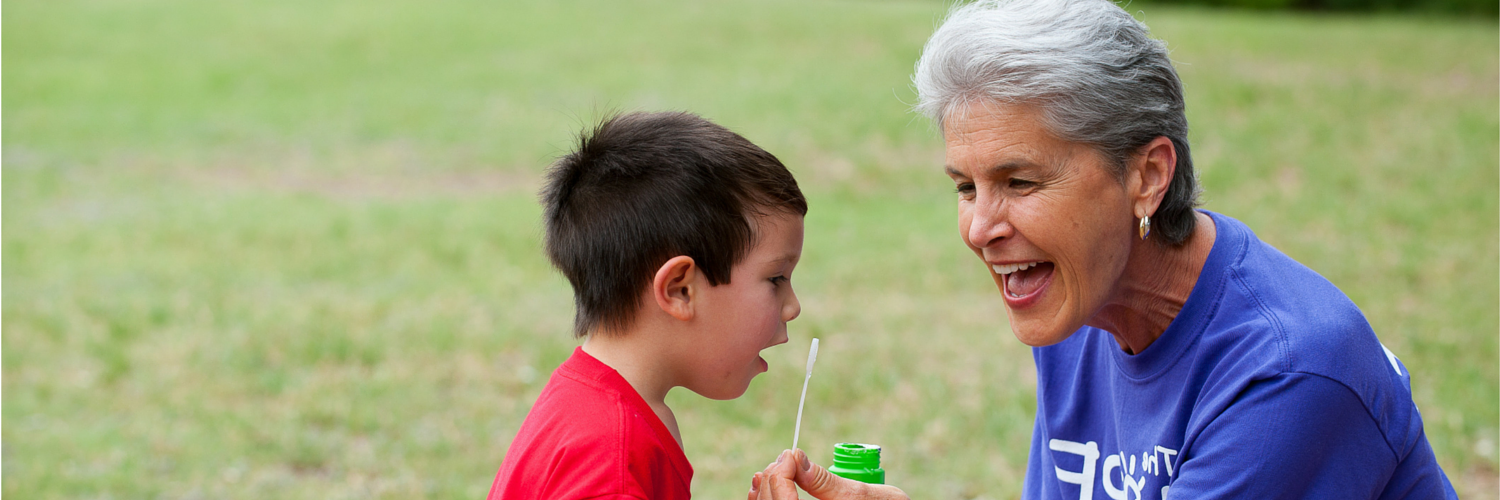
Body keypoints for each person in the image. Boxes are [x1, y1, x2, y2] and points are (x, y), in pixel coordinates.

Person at [751, 0, 1458, 498]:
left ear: (1147, 175)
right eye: (966, 187)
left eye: (1019, 181)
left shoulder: (1288, 373)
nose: (979, 227)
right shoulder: (1081, 301)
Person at [490, 110, 808, 500]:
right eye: (776, 279)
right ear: (679, 290)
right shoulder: (612, 463)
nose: (792, 306)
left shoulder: (591, 407)